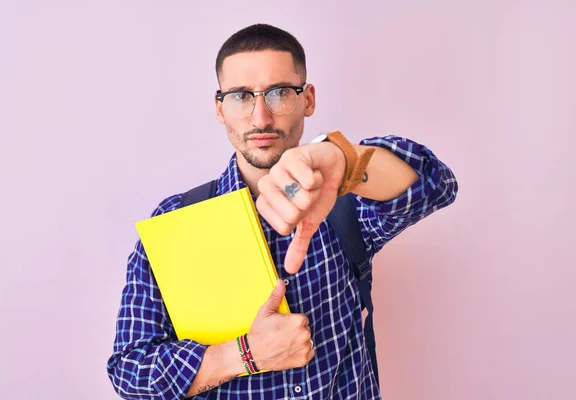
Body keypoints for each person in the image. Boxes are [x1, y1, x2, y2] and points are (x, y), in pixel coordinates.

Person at [106, 23, 458, 400]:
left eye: (279, 93)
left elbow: (436, 184)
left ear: (308, 99)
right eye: (241, 95)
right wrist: (245, 355)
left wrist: (344, 158)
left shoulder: (347, 202)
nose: (260, 117)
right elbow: (130, 371)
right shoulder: (176, 221)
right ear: (219, 108)